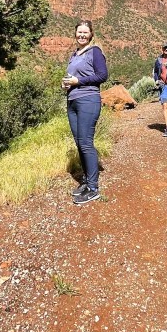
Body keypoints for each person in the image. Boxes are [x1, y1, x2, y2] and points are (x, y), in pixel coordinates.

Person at [63, 20, 108, 205]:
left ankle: (93, 188)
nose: (82, 35)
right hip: (72, 101)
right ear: (75, 34)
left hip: (88, 100)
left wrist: (78, 82)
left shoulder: (94, 52)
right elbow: (73, 77)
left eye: (85, 32)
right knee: (80, 143)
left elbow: (103, 75)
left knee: (86, 143)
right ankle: (87, 181)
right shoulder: (74, 54)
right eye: (79, 32)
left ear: (91, 35)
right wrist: (67, 84)